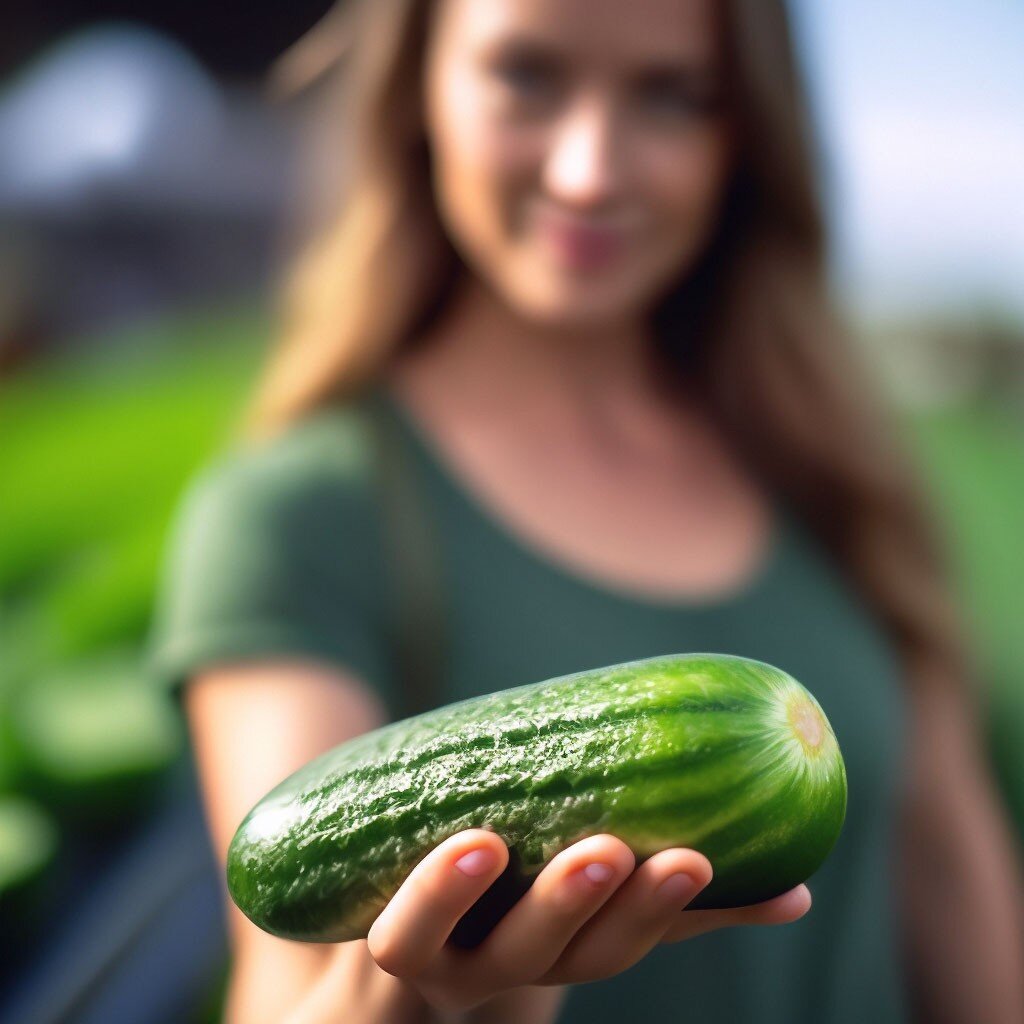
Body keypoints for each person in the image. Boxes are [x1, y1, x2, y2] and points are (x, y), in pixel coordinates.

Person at [147, 1, 1024, 1022]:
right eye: (527, 75)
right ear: (418, 87)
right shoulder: (298, 512)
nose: (589, 171)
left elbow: (953, 876)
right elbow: (282, 978)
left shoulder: (835, 469)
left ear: (744, 131)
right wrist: (424, 1002)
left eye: (671, 95)